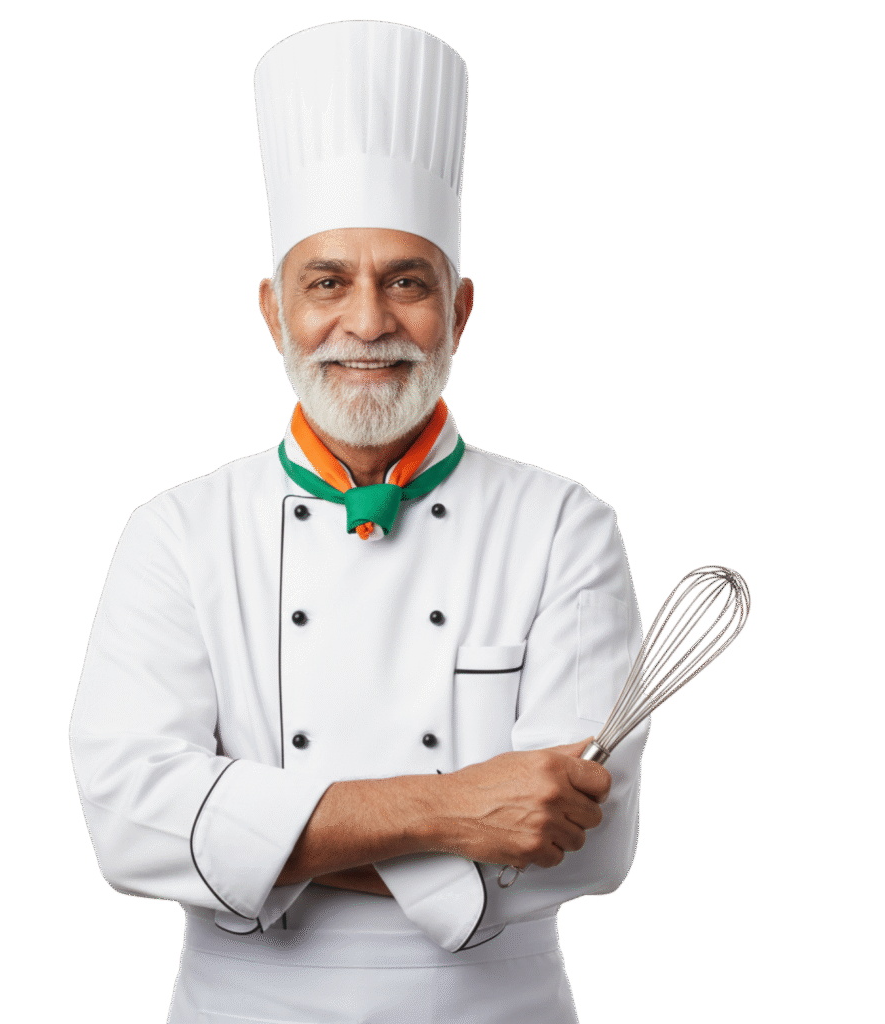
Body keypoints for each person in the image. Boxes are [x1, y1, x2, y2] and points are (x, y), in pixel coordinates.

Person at [70, 21, 648, 1024]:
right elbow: (128, 820)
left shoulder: (564, 526)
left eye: (407, 281)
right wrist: (455, 807)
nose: (369, 322)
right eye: (327, 282)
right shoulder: (176, 533)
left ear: (459, 312)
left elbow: (587, 843)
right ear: (273, 312)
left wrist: (249, 836)